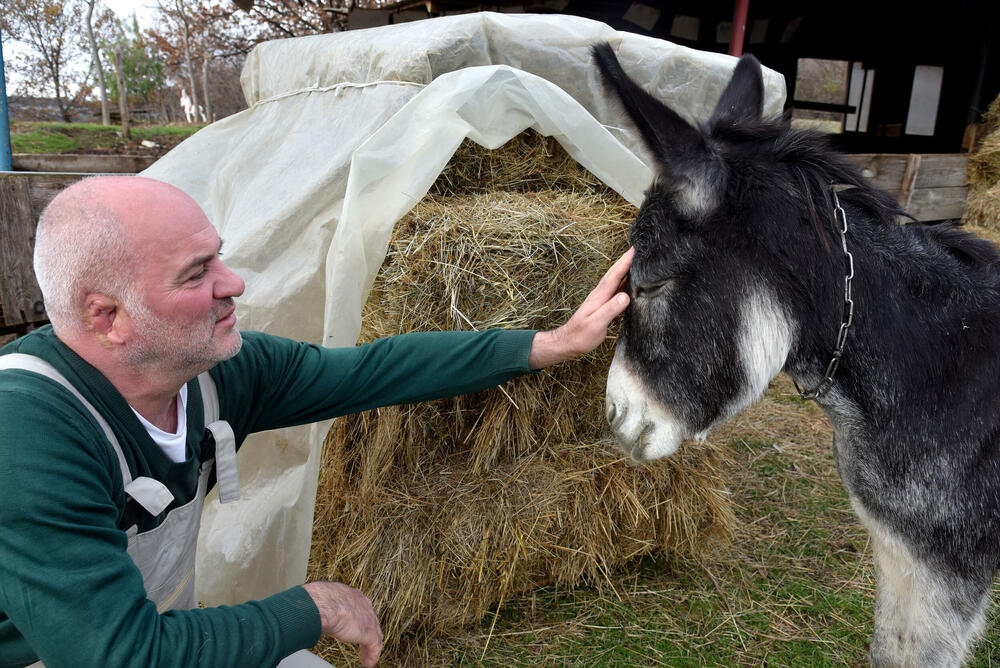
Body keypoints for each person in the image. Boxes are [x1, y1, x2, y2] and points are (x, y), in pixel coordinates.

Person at [0, 175, 633, 668]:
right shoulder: (26, 433)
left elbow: (367, 373)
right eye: (197, 274)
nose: (235, 283)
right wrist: (314, 606)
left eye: (218, 257)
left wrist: (545, 344)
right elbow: (120, 657)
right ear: (108, 317)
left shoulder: (215, 374)